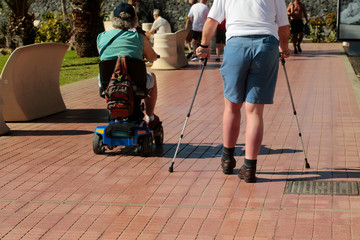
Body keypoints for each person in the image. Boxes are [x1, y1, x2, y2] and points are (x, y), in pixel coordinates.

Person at [196, 0, 291, 182]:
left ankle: (226, 159)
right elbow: (283, 26)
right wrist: (284, 49)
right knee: (254, 111)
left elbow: (211, 21)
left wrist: (204, 46)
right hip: (266, 45)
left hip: (236, 44)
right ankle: (249, 167)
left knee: (231, 106)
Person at [97, 3, 161, 130]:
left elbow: (102, 55)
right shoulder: (138, 38)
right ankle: (151, 117)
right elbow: (152, 57)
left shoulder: (101, 37)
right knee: (152, 77)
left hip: (108, 83)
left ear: (113, 18)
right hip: (135, 84)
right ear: (134, 20)